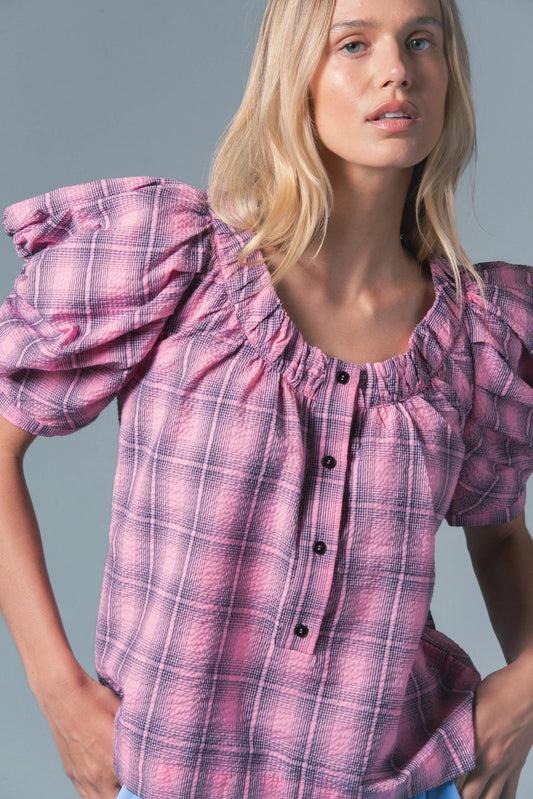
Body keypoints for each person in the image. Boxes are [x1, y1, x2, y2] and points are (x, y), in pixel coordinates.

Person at [0, 0, 532, 797]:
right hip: (171, 773)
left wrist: (526, 691)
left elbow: (497, 538)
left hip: (403, 778)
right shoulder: (175, 264)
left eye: (421, 40)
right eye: (352, 44)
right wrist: (58, 693)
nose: (397, 69)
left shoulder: (477, 335)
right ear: (296, 75)